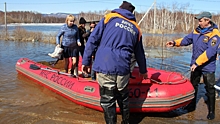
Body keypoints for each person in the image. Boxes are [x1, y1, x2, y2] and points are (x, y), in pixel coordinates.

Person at [81, 1, 148, 123]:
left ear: (120, 9)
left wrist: (85, 61)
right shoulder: (136, 28)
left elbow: (93, 39)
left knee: (107, 100)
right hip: (123, 68)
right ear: (132, 13)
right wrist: (143, 71)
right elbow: (140, 53)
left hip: (106, 64)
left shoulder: (109, 18)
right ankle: (125, 121)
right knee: (123, 96)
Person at [166, 11, 220, 120]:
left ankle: (211, 111)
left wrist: (197, 63)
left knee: (209, 88)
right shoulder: (196, 31)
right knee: (193, 86)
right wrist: (175, 43)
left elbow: (210, 52)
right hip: (195, 65)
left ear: (207, 21)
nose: (199, 22)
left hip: (207, 66)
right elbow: (187, 39)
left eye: (200, 20)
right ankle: (191, 106)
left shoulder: (215, 34)